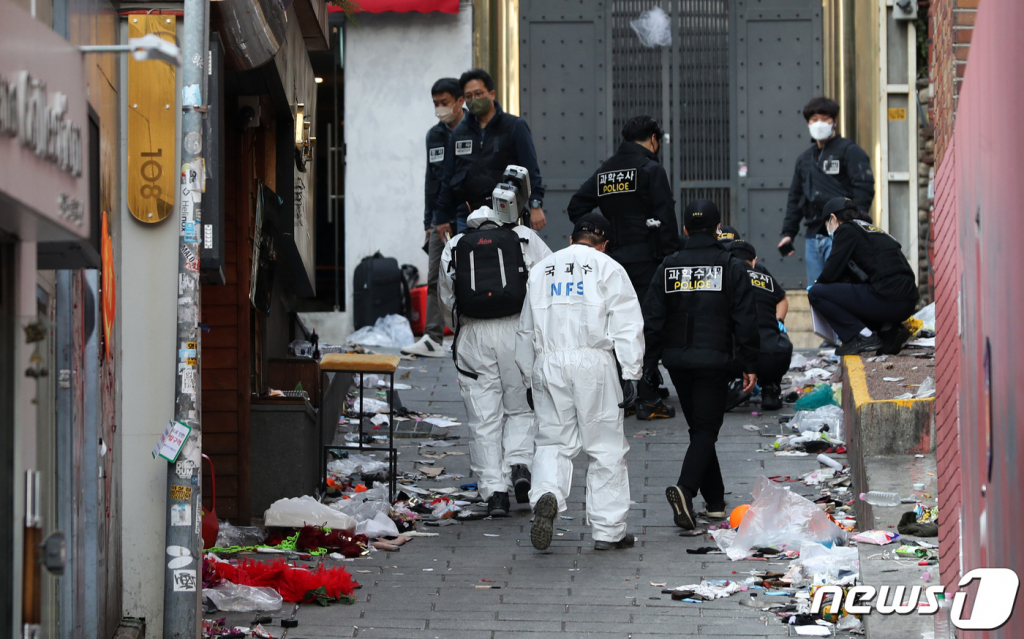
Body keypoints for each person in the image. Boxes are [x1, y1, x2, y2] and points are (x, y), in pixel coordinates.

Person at [516, 213, 644, 551]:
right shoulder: (609, 268)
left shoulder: (542, 269)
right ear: (603, 244)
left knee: (552, 441)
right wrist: (631, 373)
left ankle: (546, 494)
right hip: (593, 363)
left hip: (548, 362)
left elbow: (526, 329)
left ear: (571, 239)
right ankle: (608, 531)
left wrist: (530, 376)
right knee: (605, 448)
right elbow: (627, 324)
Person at [642, 200, 759, 530]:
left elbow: (652, 317)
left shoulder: (669, 266)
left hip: (677, 362)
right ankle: (685, 489)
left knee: (700, 431)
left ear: (684, 229)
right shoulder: (730, 266)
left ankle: (716, 501)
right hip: (714, 361)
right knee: (706, 430)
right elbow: (745, 319)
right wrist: (749, 362)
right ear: (717, 229)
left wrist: (649, 365)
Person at [566, 115, 681, 421]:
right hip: (648, 259)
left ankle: (626, 390)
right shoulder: (651, 169)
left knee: (617, 324)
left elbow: (576, 207)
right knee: (648, 323)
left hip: (613, 259)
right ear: (653, 139)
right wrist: (672, 255)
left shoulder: (605, 170)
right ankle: (644, 393)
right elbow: (665, 216)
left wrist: (605, 233)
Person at [439, 206, 552, 516]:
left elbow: (446, 300)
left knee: (483, 417)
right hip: (518, 330)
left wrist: (461, 325)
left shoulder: (455, 245)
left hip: (475, 335)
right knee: (522, 407)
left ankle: (495, 493)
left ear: (466, 210)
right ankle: (519, 464)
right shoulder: (525, 237)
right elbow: (545, 283)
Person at [435, 68, 546, 235]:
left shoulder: (514, 126)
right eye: (469, 96)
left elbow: (530, 169)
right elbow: (448, 176)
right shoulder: (459, 132)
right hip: (467, 216)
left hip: (505, 213)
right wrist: (442, 217)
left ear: (492, 94)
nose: (474, 100)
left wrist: (535, 204)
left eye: (479, 94)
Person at [778, 97, 875, 286]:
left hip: (840, 234)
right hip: (813, 237)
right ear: (808, 123)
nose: (819, 123)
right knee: (817, 292)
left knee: (843, 288)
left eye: (825, 118)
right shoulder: (804, 159)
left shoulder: (850, 151)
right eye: (814, 119)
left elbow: (864, 188)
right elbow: (795, 197)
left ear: (835, 122)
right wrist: (788, 232)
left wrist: (853, 223)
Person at [808, 197, 919, 356]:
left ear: (832, 218)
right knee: (855, 290)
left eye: (826, 224)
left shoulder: (846, 229)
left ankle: (862, 336)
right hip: (907, 302)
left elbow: (830, 273)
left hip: (887, 298)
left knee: (817, 293)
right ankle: (889, 331)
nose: (828, 230)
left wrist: (817, 283)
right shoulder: (871, 230)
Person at [403, 78, 465, 358]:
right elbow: (432, 181)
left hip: (465, 217)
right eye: (436, 104)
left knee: (465, 276)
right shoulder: (434, 135)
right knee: (434, 278)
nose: (440, 109)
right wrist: (428, 223)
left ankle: (468, 335)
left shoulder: (473, 132)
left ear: (459, 101)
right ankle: (432, 337)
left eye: (444, 103)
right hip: (438, 218)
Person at [727, 240, 792, 411]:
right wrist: (779, 322)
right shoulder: (761, 272)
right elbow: (782, 300)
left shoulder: (725, 274)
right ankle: (770, 388)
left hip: (737, 357)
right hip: (775, 354)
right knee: (779, 337)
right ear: (754, 261)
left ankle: (732, 387)